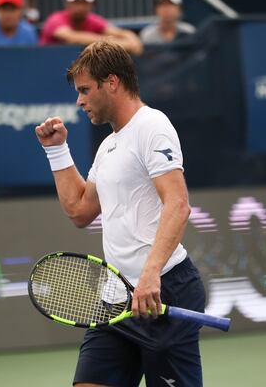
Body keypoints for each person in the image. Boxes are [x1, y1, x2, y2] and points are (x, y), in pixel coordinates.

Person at [34, 41, 203, 386]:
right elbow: (80, 210)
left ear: (111, 82)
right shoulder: (109, 146)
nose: (79, 101)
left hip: (163, 289)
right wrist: (56, 151)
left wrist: (150, 274)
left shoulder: (152, 126)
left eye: (84, 90)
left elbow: (178, 204)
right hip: (117, 300)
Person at [40, 0, 143, 55]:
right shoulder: (55, 19)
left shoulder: (93, 20)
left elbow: (119, 33)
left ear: (92, 4)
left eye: (84, 3)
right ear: (67, 3)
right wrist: (120, 44)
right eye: (76, 2)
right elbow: (72, 37)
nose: (80, 7)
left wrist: (131, 37)